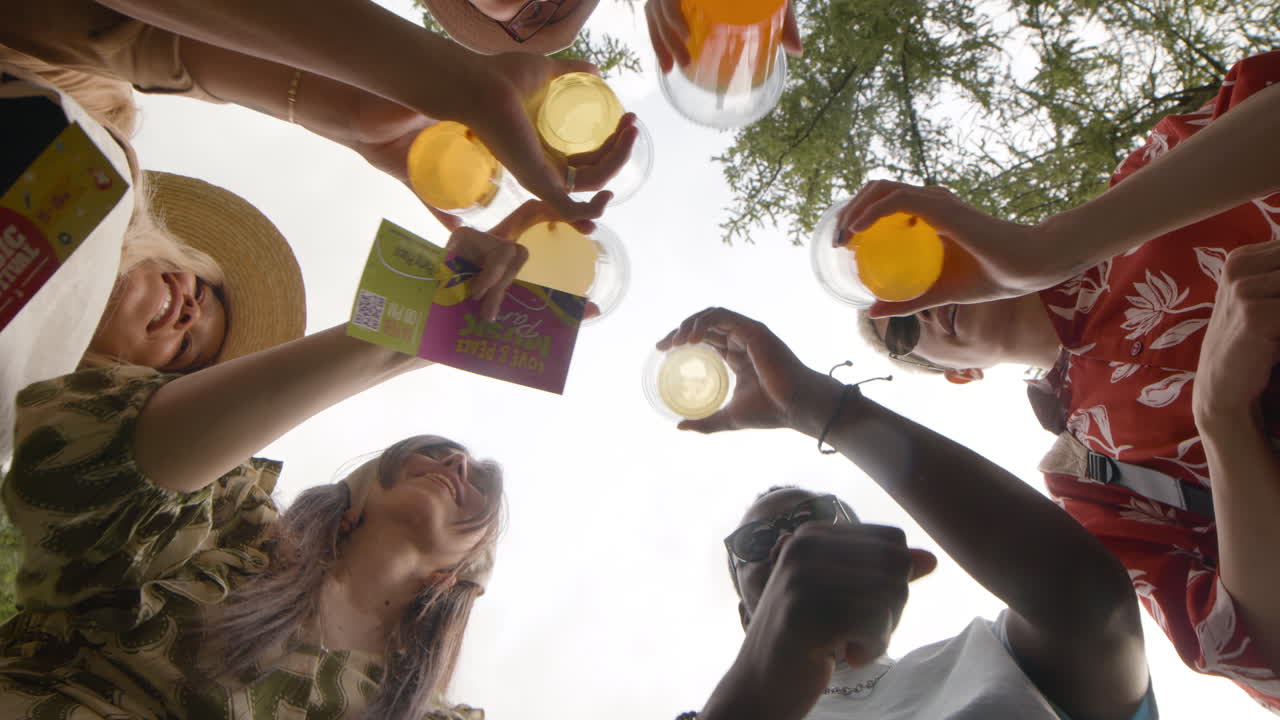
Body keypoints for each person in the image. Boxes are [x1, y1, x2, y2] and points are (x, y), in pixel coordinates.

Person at [841, 51, 1280, 710]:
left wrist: (1048, 250)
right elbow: (1255, 650)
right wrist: (1223, 422)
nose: (916, 305)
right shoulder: (1091, 486)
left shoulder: (1152, 175)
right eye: (901, 329)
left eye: (904, 270)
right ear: (958, 372)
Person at [658, 308, 1155, 720]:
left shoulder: (991, 656)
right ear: (748, 618)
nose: (792, 544)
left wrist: (821, 408)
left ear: (881, 556)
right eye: (757, 543)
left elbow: (1093, 606)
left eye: (815, 520)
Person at [2, 0, 639, 225]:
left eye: (535, 11)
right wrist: (456, 83)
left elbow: (162, 50)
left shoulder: (56, 71)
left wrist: (359, 119)